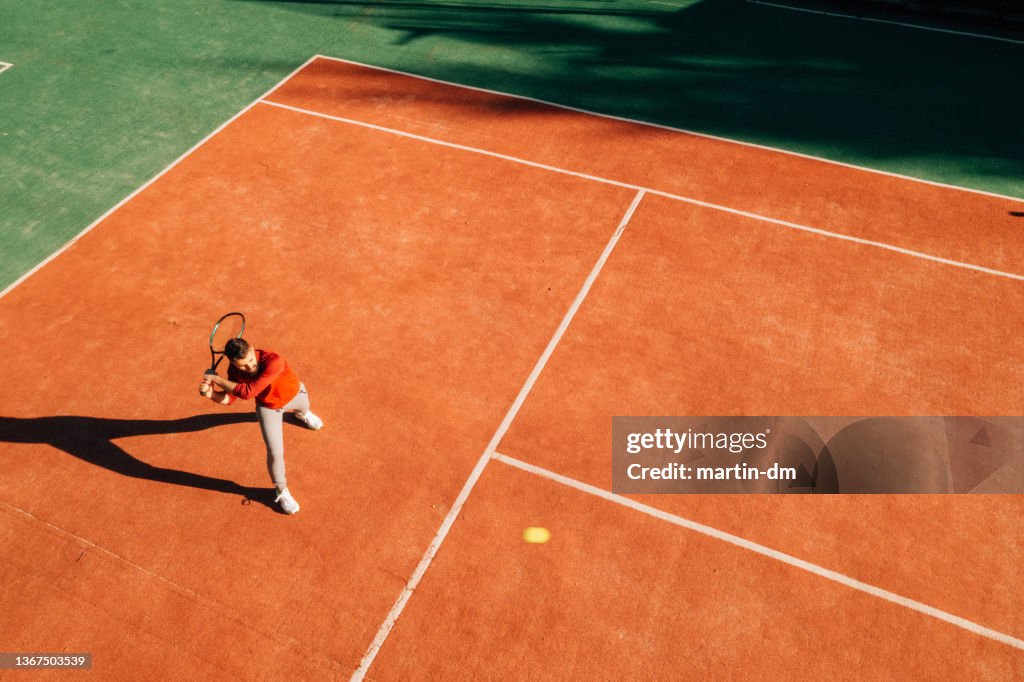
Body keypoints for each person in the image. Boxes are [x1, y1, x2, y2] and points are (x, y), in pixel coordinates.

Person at [199, 338, 322, 514]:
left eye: (250, 361)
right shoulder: (233, 371)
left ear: (251, 349)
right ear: (232, 362)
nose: (250, 368)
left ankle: (302, 414)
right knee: (275, 451)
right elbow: (230, 398)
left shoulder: (273, 360)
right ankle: (281, 490)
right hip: (269, 407)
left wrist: (215, 378)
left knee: (305, 406)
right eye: (243, 366)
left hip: (295, 395)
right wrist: (211, 394)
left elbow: (248, 392)